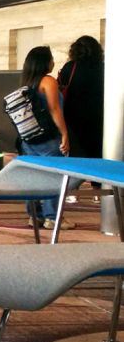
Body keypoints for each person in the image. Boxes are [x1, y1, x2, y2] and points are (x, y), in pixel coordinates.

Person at [18, 46, 73, 230]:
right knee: (53, 176)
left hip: (30, 137)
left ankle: (34, 216)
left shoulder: (28, 82)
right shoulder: (48, 81)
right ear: (44, 62)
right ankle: (52, 217)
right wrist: (65, 134)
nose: (53, 62)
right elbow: (54, 109)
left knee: (33, 176)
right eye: (51, 58)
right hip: (48, 138)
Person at [58, 35, 104, 159]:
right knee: (97, 155)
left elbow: (59, 88)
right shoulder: (105, 68)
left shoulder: (70, 67)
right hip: (99, 120)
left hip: (73, 121)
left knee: (77, 158)